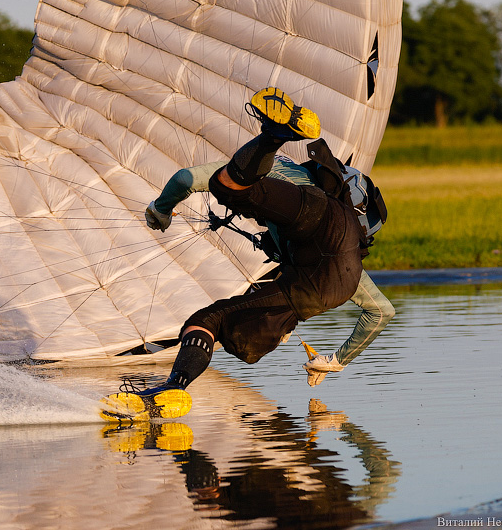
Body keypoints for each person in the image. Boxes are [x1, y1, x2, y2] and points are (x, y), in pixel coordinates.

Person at [105, 88, 394, 420]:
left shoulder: (285, 173)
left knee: (229, 188)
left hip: (305, 214)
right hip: (332, 271)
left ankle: (274, 134)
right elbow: (381, 312)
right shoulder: (345, 246)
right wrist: (334, 362)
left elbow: (186, 178)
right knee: (232, 318)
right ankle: (173, 387)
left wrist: (161, 208)